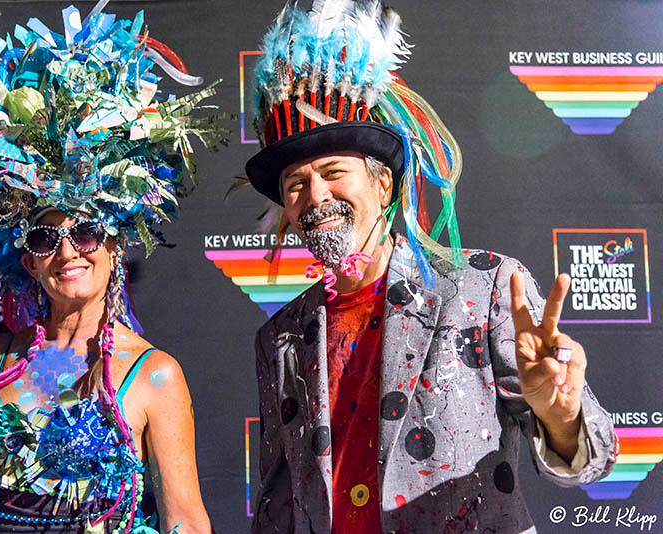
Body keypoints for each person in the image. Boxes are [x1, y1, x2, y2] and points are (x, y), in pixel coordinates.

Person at [244, 1, 616, 533]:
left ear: (383, 184)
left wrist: (559, 414)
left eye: (332, 172)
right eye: (295, 184)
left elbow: (596, 458)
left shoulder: (484, 288)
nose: (315, 195)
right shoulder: (279, 339)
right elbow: (280, 505)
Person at [0, 4, 224, 533]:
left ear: (115, 245)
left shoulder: (154, 377)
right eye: (46, 236)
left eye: (87, 231)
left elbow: (185, 523)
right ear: (27, 259)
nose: (69, 251)